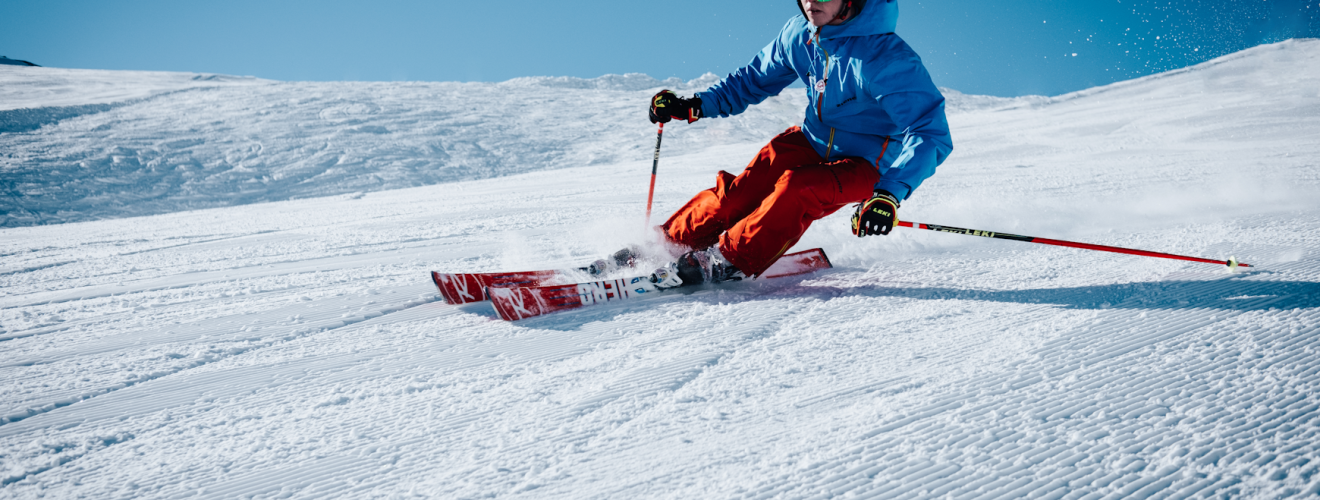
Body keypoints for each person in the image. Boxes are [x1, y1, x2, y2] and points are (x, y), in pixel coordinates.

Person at [648, 0, 952, 286]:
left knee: (798, 187)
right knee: (740, 195)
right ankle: (666, 244)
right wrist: (694, 105)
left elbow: (929, 132)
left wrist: (888, 194)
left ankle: (727, 260)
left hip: (868, 164)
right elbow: (751, 81)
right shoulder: (800, 34)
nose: (811, 2)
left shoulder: (885, 57)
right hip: (811, 139)